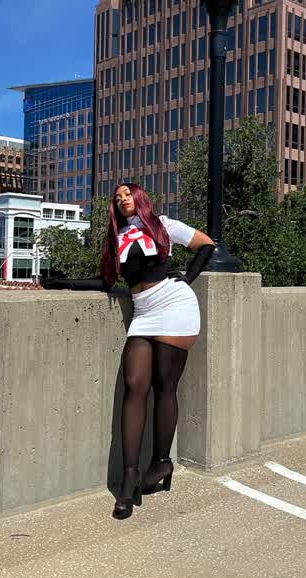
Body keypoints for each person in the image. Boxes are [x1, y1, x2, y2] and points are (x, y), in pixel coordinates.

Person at [42, 183, 215, 519]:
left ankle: (161, 462)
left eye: (127, 194)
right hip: (143, 312)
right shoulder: (116, 238)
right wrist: (65, 283)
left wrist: (188, 278)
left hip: (175, 305)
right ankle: (130, 475)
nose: (122, 199)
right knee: (134, 386)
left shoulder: (163, 225)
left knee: (165, 388)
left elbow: (206, 244)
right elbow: (107, 283)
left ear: (139, 198)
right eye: (118, 197)